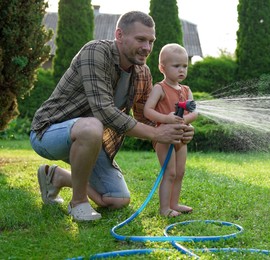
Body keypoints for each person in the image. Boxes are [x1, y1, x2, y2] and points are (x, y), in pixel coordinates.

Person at [29, 11, 194, 221]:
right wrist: (156, 133)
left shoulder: (142, 73)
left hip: (91, 141)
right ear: (119, 35)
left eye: (151, 41)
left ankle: (57, 176)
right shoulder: (95, 52)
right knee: (92, 126)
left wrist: (176, 130)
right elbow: (105, 112)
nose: (147, 47)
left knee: (116, 199)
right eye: (141, 39)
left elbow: (146, 118)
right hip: (49, 132)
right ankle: (78, 203)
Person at [144, 43, 198, 217]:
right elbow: (148, 111)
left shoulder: (186, 90)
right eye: (176, 66)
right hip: (164, 138)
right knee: (170, 172)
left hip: (181, 138)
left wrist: (184, 120)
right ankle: (164, 208)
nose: (181, 70)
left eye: (185, 66)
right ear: (162, 68)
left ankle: (174, 204)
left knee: (180, 172)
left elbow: (194, 113)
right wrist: (167, 119)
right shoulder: (160, 88)